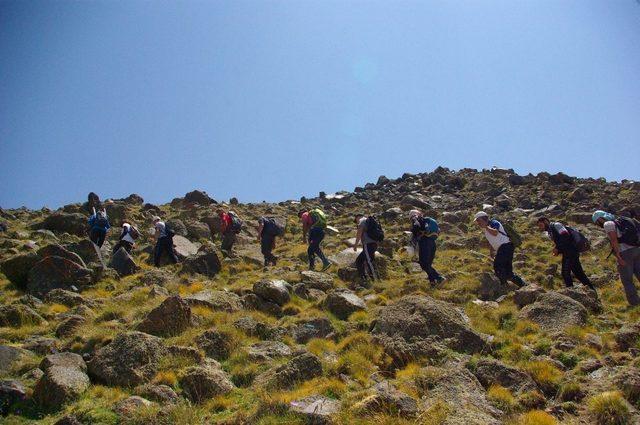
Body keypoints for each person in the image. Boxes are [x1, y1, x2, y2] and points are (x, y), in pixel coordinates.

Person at [592, 210, 640, 306]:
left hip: (625, 253)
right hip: (637, 249)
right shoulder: (623, 220)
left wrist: (618, 257)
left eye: (597, 222)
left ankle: (635, 303)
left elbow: (614, 240)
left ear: (600, 218)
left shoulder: (608, 224)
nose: (598, 225)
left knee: (627, 280)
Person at [537, 217, 596, 292]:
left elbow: (565, 235)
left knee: (565, 273)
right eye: (539, 226)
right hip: (570, 252)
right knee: (579, 274)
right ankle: (592, 291)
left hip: (570, 251)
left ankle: (571, 292)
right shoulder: (550, 231)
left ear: (546, 221)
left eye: (541, 225)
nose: (540, 228)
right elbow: (563, 242)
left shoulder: (556, 225)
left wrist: (557, 248)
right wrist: (558, 250)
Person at [474, 211, 525, 287]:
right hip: (503, 248)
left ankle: (504, 285)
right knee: (508, 272)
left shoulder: (494, 223)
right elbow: (492, 240)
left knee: (498, 266)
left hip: (506, 246)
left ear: (484, 219)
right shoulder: (486, 229)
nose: (478, 223)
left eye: (479, 220)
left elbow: (495, 233)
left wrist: (486, 227)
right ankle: (523, 285)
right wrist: (491, 251)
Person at [410, 210, 445, 285]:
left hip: (424, 243)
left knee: (424, 264)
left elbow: (417, 228)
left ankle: (439, 278)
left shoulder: (416, 220)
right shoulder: (427, 220)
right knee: (427, 264)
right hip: (432, 242)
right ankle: (432, 282)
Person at [354, 214, 379, 283]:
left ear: (358, 217)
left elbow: (359, 233)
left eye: (356, 220)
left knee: (369, 262)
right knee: (359, 260)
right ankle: (363, 278)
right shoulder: (368, 221)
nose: (356, 222)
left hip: (368, 244)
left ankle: (375, 280)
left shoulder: (362, 221)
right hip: (374, 243)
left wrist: (355, 245)